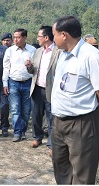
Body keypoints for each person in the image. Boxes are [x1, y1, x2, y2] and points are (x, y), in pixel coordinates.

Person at [51, 16, 99, 184]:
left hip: (82, 123)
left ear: (64, 35)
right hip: (59, 122)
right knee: (61, 168)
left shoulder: (91, 56)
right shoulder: (63, 54)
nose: (52, 38)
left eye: (54, 34)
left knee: (82, 172)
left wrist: (92, 106)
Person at [25, 26, 62, 156]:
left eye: (39, 36)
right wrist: (29, 67)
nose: (37, 39)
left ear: (46, 38)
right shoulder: (38, 51)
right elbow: (33, 71)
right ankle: (37, 137)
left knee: (51, 118)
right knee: (35, 116)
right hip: (37, 88)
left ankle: (52, 144)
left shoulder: (58, 52)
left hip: (51, 90)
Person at [2, 28, 36, 142]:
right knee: (15, 109)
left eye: (18, 37)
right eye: (14, 38)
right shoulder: (10, 51)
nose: (15, 40)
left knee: (26, 110)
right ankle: (17, 132)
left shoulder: (32, 50)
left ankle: (23, 130)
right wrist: (5, 83)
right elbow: (6, 68)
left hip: (28, 82)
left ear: (25, 38)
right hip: (13, 82)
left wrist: (30, 66)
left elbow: (36, 69)